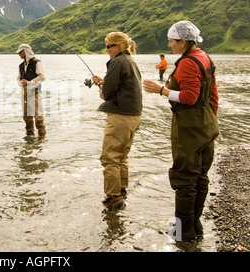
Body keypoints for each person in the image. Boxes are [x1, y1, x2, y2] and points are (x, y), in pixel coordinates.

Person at [143, 20, 219, 241]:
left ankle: (183, 233)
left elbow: (188, 97)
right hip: (207, 123)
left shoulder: (187, 63)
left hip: (190, 127)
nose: (169, 45)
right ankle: (195, 226)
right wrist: (212, 119)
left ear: (183, 41)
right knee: (201, 176)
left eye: (171, 41)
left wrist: (161, 90)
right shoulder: (204, 57)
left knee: (185, 177)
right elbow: (213, 95)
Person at [92, 32, 142, 210]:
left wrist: (102, 90)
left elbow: (108, 93)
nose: (107, 50)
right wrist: (103, 81)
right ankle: (121, 190)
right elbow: (122, 85)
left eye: (109, 46)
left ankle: (113, 198)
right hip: (134, 115)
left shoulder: (117, 61)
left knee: (110, 157)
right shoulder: (130, 61)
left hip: (121, 117)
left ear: (118, 47)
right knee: (122, 156)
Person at [16, 44, 46, 139]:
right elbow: (18, 78)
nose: (19, 54)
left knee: (38, 116)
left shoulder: (37, 62)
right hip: (24, 94)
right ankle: (30, 139)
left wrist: (29, 83)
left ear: (25, 51)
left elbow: (42, 77)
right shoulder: (21, 66)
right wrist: (21, 83)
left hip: (35, 92)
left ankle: (42, 138)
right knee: (26, 116)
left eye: (20, 52)